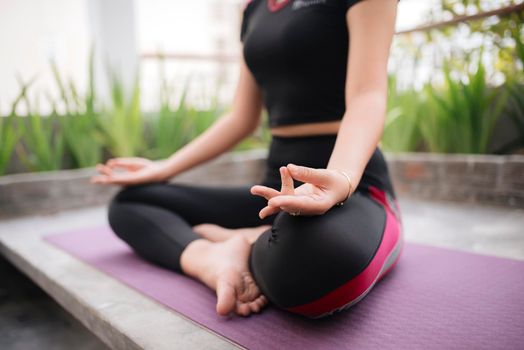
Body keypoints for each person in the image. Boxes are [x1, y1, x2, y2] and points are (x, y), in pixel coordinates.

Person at [91, 0, 403, 319]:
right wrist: (163, 168)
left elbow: (368, 96)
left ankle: (248, 237)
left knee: (315, 267)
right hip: (276, 189)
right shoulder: (254, 9)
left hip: (354, 185)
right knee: (131, 202)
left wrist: (340, 176)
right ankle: (212, 258)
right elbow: (241, 117)